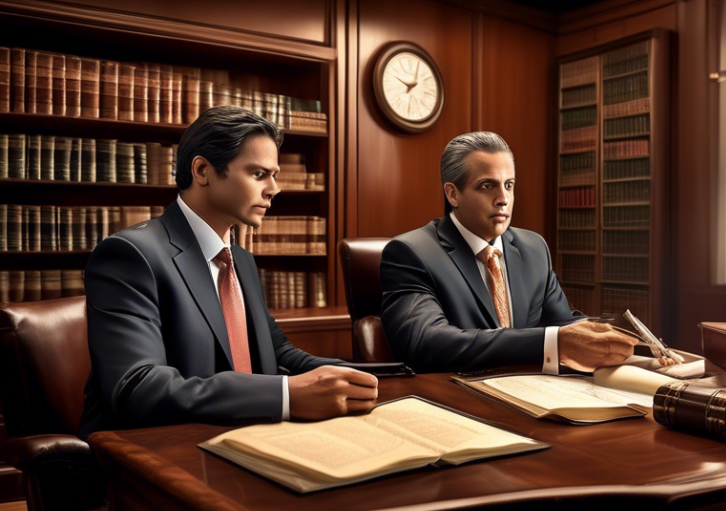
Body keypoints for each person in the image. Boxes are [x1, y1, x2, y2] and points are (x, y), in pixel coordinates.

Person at [78, 106, 377, 439]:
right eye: (259, 174)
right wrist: (287, 395)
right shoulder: (129, 255)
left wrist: (369, 376)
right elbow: (138, 387)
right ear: (203, 170)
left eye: (274, 175)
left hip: (245, 438)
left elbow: (278, 353)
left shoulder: (240, 260)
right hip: (154, 452)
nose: (274, 189)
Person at [380, 131, 643, 374]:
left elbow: (564, 323)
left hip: (536, 395)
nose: (503, 199)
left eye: (509, 185)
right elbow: (425, 344)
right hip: (458, 401)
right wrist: (552, 341)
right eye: (487, 186)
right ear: (453, 194)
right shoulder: (412, 252)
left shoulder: (534, 248)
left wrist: (618, 339)